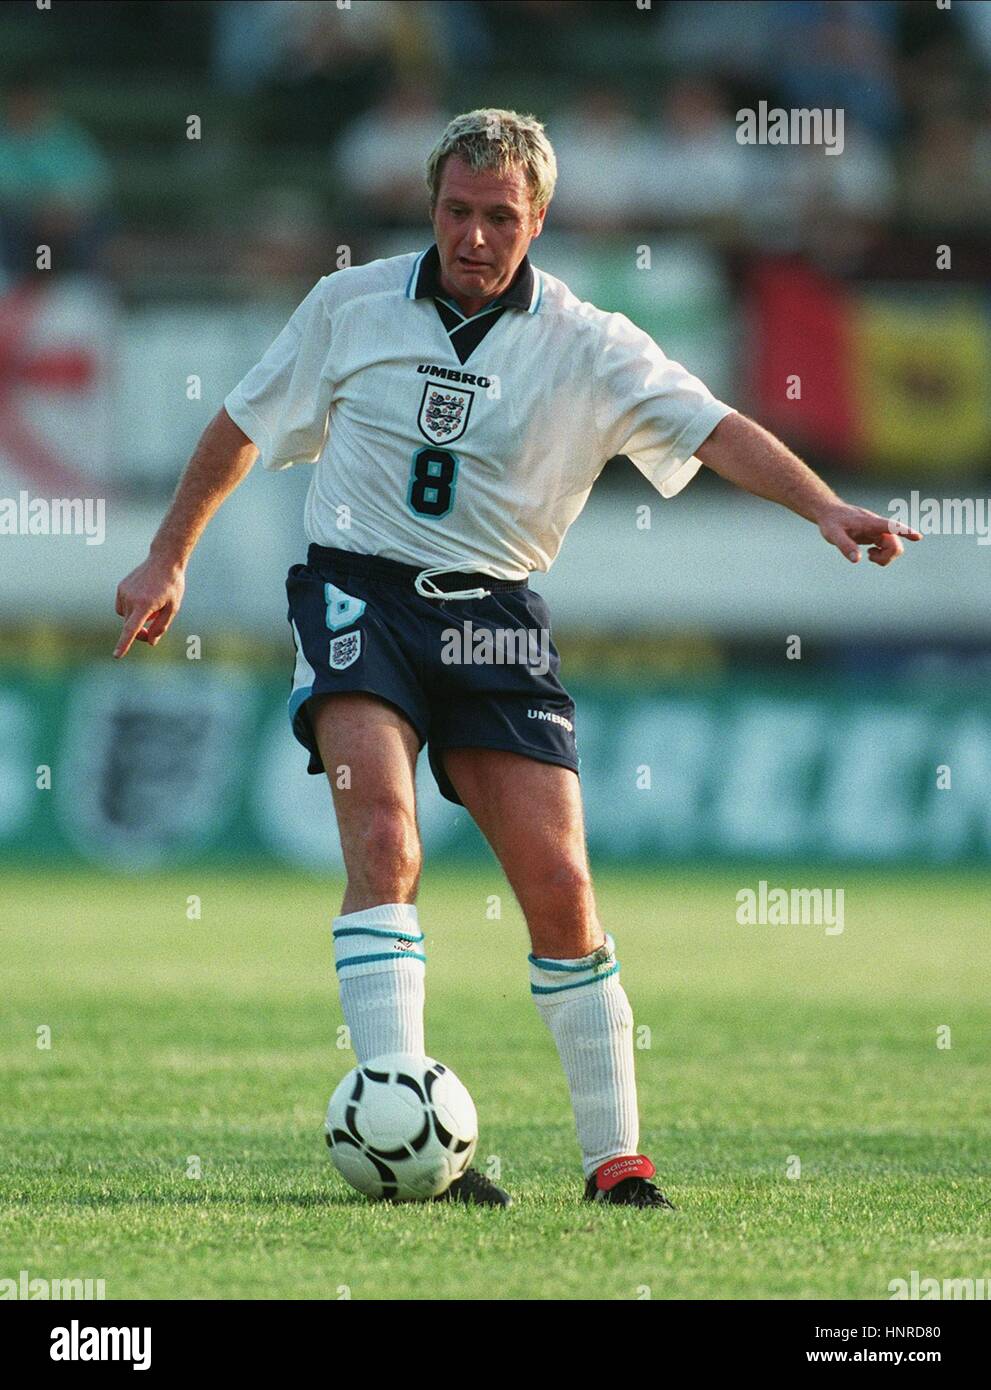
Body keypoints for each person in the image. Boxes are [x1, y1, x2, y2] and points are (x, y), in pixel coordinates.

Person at [114, 109, 919, 1208]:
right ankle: (407, 1130)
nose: (475, 236)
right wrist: (167, 559)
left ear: (538, 219)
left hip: (494, 617)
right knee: (385, 839)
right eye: (457, 211)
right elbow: (241, 425)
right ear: (429, 204)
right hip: (358, 590)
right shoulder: (349, 303)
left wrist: (824, 506)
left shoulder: (591, 344)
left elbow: (716, 426)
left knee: (560, 887)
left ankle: (616, 1163)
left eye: (500, 216)